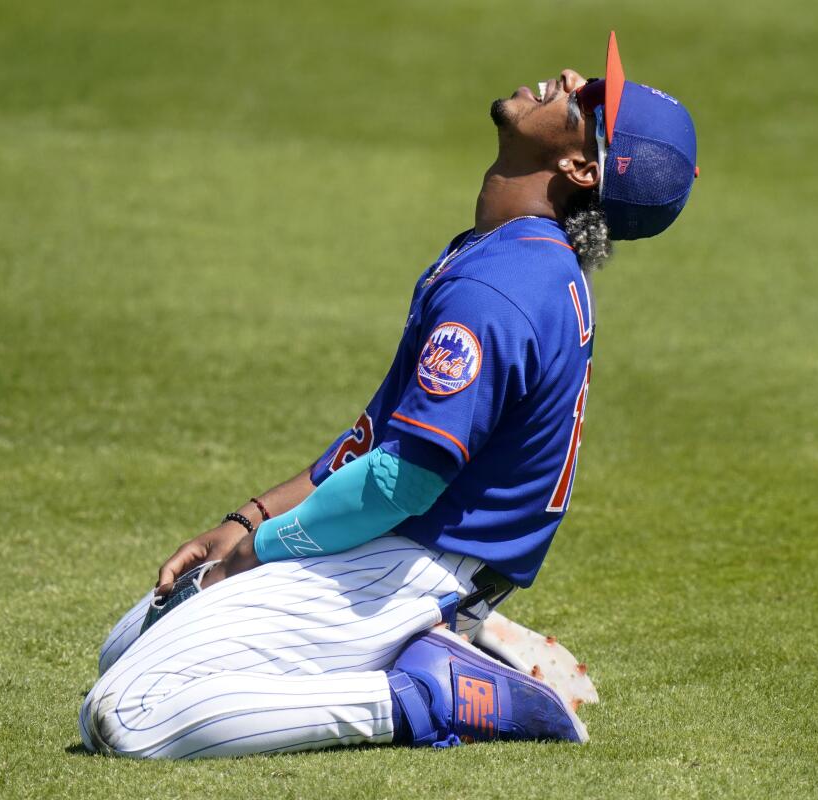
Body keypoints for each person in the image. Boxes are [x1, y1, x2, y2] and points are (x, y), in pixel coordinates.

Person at [79, 32, 697, 759]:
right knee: (126, 646)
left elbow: (402, 480)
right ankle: (431, 641)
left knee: (126, 713)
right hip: (399, 541)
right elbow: (379, 435)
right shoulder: (500, 253)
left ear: (580, 166)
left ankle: (428, 692)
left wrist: (261, 549)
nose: (570, 78)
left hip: (414, 557)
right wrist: (246, 516)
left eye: (590, 100)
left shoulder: (500, 288)